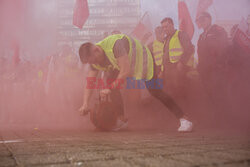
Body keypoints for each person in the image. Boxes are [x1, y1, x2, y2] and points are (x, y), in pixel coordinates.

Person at [78, 34, 193, 132]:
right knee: (111, 86)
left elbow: (125, 71)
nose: (93, 64)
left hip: (143, 59)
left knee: (155, 91)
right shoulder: (94, 59)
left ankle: (184, 119)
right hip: (121, 65)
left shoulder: (115, 45)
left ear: (97, 50)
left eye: (94, 60)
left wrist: (110, 88)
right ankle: (121, 121)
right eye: (90, 62)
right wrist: (85, 104)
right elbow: (90, 82)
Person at [195, 12, 228, 106]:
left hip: (216, 71)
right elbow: (200, 55)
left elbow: (224, 49)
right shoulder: (201, 36)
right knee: (209, 98)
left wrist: (218, 66)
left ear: (209, 19)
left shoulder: (218, 30)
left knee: (219, 97)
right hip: (205, 73)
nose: (201, 22)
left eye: (203, 19)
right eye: (199, 20)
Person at [160, 17, 195, 98]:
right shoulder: (166, 39)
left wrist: (181, 62)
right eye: (163, 27)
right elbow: (164, 56)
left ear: (172, 25)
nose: (165, 29)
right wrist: (162, 70)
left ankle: (184, 109)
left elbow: (189, 49)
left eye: (166, 26)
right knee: (171, 92)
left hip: (178, 69)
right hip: (168, 71)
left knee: (180, 91)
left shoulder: (180, 34)